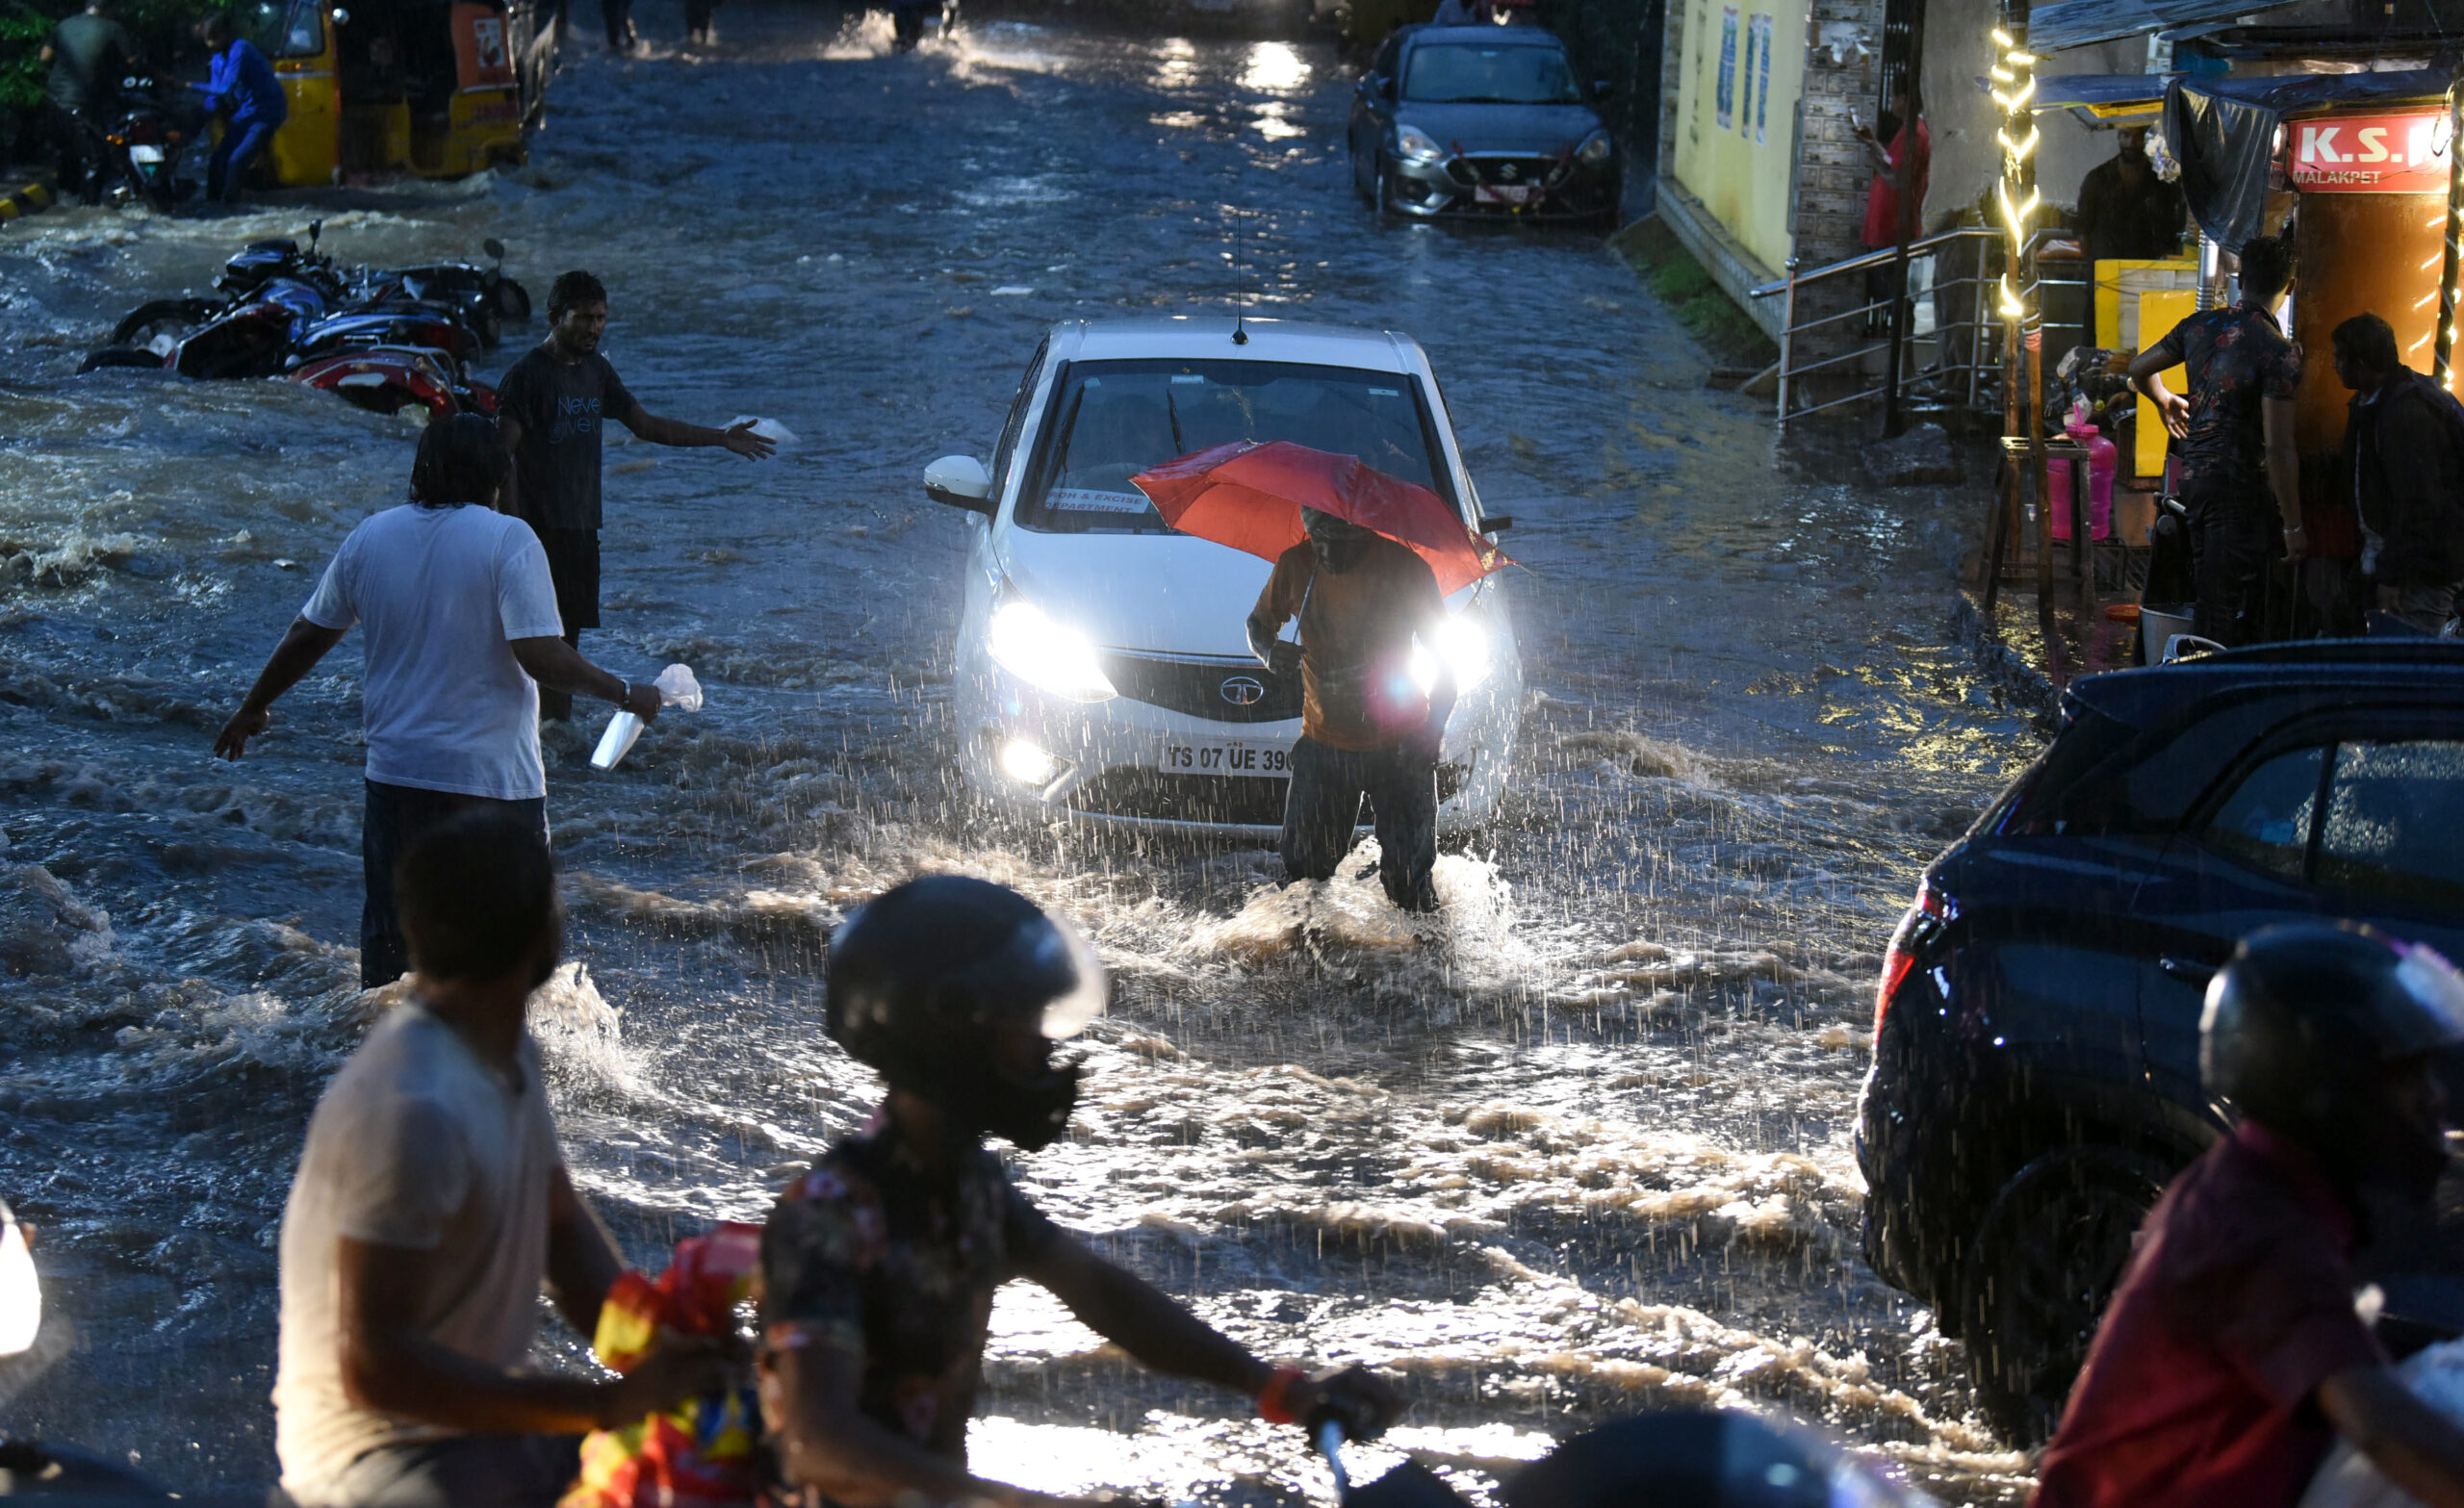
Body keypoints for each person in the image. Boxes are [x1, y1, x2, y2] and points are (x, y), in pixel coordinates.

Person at [758, 876, 1403, 1507]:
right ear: (951, 1030)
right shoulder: (830, 1215)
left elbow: (1105, 1296)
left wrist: (1278, 1388)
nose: (1044, 1046)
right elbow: (819, 1441)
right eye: (1025, 1022)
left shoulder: (971, 1186)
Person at [271, 811, 732, 1508]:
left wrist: (659, 1348)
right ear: (543, 933)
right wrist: (604, 1407)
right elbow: (377, 1365)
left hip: (479, 1431)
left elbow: (562, 1231)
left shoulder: (506, 1049)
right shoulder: (412, 1106)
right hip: (378, 1459)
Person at [213, 414, 664, 989]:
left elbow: (309, 634)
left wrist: (253, 706)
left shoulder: (371, 536)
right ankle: (495, 1072)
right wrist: (627, 693)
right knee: (507, 958)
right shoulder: (508, 539)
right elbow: (540, 656)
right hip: (492, 787)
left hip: (399, 781)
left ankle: (383, 1069)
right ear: (497, 473)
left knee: (393, 958)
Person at [2031, 923, 2464, 1508]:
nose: (2433, 1103)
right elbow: (2379, 1426)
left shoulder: (2257, 1191)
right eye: (2407, 1078)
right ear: (2334, 1088)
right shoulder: (2253, 1224)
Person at [496, 270, 776, 721]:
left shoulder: (596, 371)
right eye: (584, 318)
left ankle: (556, 739)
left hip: (580, 531)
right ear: (555, 317)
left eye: (601, 318)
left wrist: (721, 437)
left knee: (567, 643)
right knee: (530, 644)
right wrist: (512, 530)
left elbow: (646, 426)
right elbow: (499, 458)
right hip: (535, 533)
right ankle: (522, 734)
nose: (594, 328)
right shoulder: (526, 377)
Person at [1245, 508, 1453, 914]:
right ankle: (1307, 969)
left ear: (1364, 531)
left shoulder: (1406, 570)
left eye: (1340, 541)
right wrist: (1269, 652)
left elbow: (1447, 667)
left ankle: (1432, 969)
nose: (1328, 551)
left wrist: (1431, 735)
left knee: (1409, 883)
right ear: (1308, 532)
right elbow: (1257, 624)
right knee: (1303, 879)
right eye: (1318, 539)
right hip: (1324, 745)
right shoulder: (1295, 564)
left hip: (1401, 745)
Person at [2128, 234, 2304, 647]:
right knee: (2222, 605)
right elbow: (2278, 448)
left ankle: (2198, 684)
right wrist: (2295, 526)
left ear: (2240, 278)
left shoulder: (2199, 326)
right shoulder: (2279, 352)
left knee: (2212, 593)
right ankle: (2208, 694)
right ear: (2291, 286)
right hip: (2238, 489)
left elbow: (2139, 368)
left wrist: (2164, 400)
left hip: (2196, 482)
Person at [2333, 312, 2464, 636]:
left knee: (2405, 663)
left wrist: (2393, 576)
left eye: (2339, 358)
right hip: (2393, 560)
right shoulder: (2376, 402)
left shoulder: (2406, 415)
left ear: (2361, 364)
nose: (2334, 365)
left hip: (2422, 570)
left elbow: (2418, 505)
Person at [38, 0, 136, 207]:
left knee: (68, 154)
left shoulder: (64, 24)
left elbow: (44, 57)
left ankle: (67, 205)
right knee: (98, 158)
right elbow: (131, 62)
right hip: (80, 104)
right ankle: (90, 209)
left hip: (53, 100)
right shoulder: (112, 28)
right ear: (108, 9)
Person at [194, 12, 287, 205]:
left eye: (214, 38)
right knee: (217, 161)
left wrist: (186, 85)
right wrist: (193, 127)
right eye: (207, 40)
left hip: (266, 113)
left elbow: (225, 88)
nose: (210, 44)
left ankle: (231, 209)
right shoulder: (218, 59)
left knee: (235, 162)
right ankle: (212, 209)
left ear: (227, 33)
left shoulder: (241, 49)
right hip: (245, 113)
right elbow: (215, 98)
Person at [2075, 125, 2186, 267]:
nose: (2131, 143)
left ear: (2146, 140)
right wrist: (2094, 264)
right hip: (2105, 268)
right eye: (2125, 135)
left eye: (2138, 137)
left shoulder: (2160, 181)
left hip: (2148, 269)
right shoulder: (2097, 178)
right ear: (2118, 137)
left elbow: (2173, 224)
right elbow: (2083, 228)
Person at [1854, 85, 1928, 254]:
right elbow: (1894, 161)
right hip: (1887, 224)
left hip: (1891, 226)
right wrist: (1873, 143)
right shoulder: (1909, 130)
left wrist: (1875, 164)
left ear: (1903, 99)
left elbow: (1900, 179)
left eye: (1893, 97)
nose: (1891, 102)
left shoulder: (1915, 133)